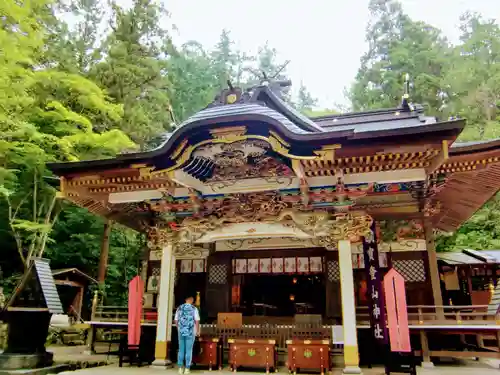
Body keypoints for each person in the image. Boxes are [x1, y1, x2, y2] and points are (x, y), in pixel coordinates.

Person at [174, 296, 200, 374]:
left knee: (181, 350)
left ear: (185, 299)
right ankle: (187, 368)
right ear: (191, 300)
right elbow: (197, 320)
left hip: (181, 331)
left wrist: (179, 328)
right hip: (190, 331)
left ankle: (180, 368)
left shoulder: (179, 308)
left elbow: (176, 320)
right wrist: (197, 331)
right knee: (189, 350)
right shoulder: (194, 308)